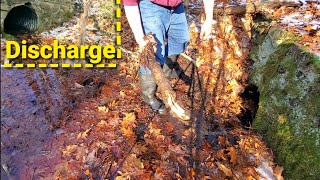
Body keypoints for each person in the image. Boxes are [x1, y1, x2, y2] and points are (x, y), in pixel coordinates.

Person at [123, 0, 214, 114]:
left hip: (177, 7)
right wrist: (139, 35)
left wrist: (209, 19)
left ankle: (166, 71)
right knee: (153, 53)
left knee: (180, 41)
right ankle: (148, 95)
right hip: (151, 7)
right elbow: (129, 2)